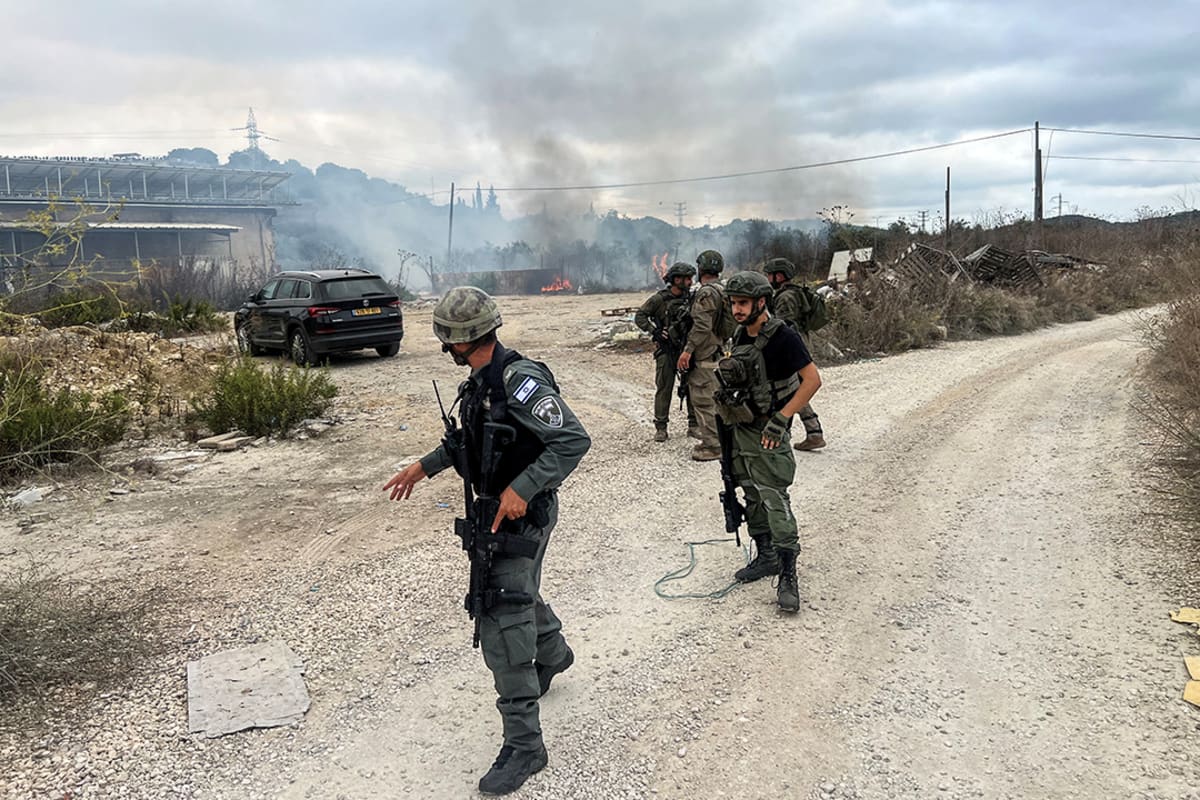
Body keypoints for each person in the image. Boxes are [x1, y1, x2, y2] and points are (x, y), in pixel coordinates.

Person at [382, 287, 590, 795]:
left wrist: (521, 488)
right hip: (495, 512)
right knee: (519, 595)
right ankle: (554, 652)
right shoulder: (483, 382)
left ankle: (525, 746)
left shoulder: (517, 380)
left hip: (522, 513)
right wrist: (423, 467)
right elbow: (467, 441)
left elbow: (573, 439)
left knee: (501, 616)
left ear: (457, 340)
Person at [714, 271, 821, 612]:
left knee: (775, 498)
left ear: (761, 302)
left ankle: (788, 575)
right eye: (733, 303)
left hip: (768, 431)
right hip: (740, 428)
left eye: (743, 303)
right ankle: (766, 556)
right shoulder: (739, 334)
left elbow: (812, 380)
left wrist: (782, 418)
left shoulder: (782, 336)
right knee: (750, 493)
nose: (737, 309)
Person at [764, 257, 826, 451]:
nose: (768, 278)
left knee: (791, 388)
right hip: (799, 342)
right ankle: (814, 432)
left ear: (779, 276)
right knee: (795, 388)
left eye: (770, 275)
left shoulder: (785, 297)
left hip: (791, 346)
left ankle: (813, 432)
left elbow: (782, 325)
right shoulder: (794, 293)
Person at [678, 250, 735, 461]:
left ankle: (713, 445)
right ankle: (724, 439)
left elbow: (702, 325)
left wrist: (687, 350)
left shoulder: (706, 293)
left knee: (703, 400)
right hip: (719, 350)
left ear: (701, 268)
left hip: (705, 353)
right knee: (718, 397)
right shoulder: (724, 289)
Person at [634, 262, 697, 442]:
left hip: (686, 349)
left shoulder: (691, 299)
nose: (690, 282)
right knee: (664, 388)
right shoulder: (659, 299)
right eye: (686, 279)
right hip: (667, 350)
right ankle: (661, 427)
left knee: (691, 386)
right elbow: (640, 316)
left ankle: (693, 425)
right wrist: (654, 331)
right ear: (676, 279)